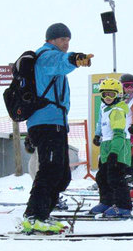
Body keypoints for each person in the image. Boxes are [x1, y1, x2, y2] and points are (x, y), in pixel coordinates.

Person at [21, 23, 93, 234]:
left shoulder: (51, 57)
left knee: (62, 175)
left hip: (56, 122)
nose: (66, 43)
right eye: (62, 39)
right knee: (50, 170)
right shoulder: (46, 56)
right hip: (45, 122)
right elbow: (63, 62)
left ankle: (44, 213)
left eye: (68, 40)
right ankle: (33, 216)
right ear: (51, 40)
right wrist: (75, 58)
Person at [89, 78, 133, 217]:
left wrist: (114, 153)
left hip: (118, 147)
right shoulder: (106, 109)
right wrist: (98, 136)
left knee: (116, 178)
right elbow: (103, 127)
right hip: (107, 146)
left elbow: (119, 134)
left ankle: (123, 206)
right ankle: (107, 202)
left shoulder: (118, 111)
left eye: (111, 94)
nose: (108, 97)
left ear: (118, 95)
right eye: (105, 94)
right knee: (102, 177)